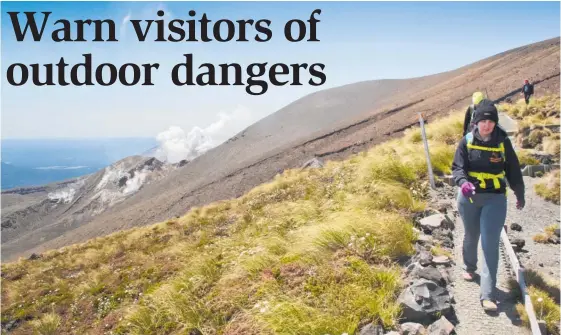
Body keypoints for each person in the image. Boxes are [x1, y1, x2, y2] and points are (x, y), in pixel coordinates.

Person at [452, 100, 525, 312]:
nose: (487, 125)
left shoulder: (502, 142)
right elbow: (457, 168)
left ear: (495, 122)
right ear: (476, 121)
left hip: (495, 198)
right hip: (470, 198)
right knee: (471, 235)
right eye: (483, 120)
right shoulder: (465, 141)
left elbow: (513, 169)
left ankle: (488, 294)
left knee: (490, 244)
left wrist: (519, 192)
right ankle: (469, 265)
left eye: (491, 121)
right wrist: (463, 183)